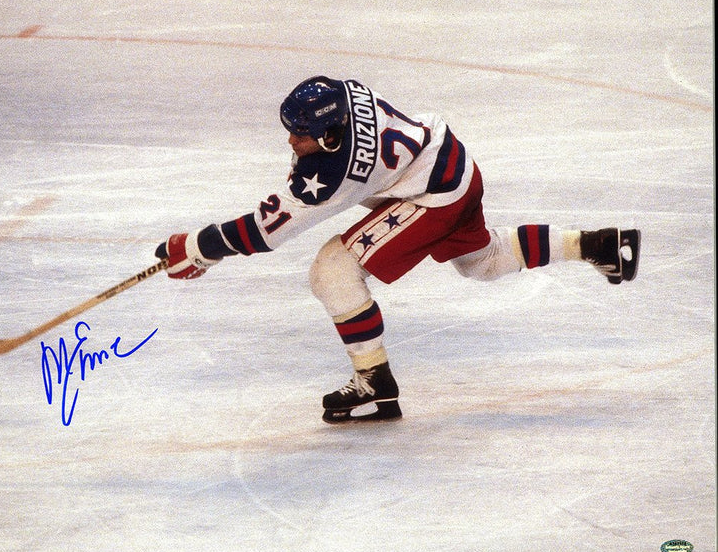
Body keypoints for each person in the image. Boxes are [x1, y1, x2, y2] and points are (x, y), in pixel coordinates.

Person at [156, 76, 640, 424]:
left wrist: (198, 248)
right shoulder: (344, 95)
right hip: (452, 162)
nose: (290, 140)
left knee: (332, 270)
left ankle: (373, 382)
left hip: (432, 194)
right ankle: (597, 245)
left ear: (327, 134)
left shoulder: (333, 170)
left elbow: (267, 232)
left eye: (299, 134)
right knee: (482, 262)